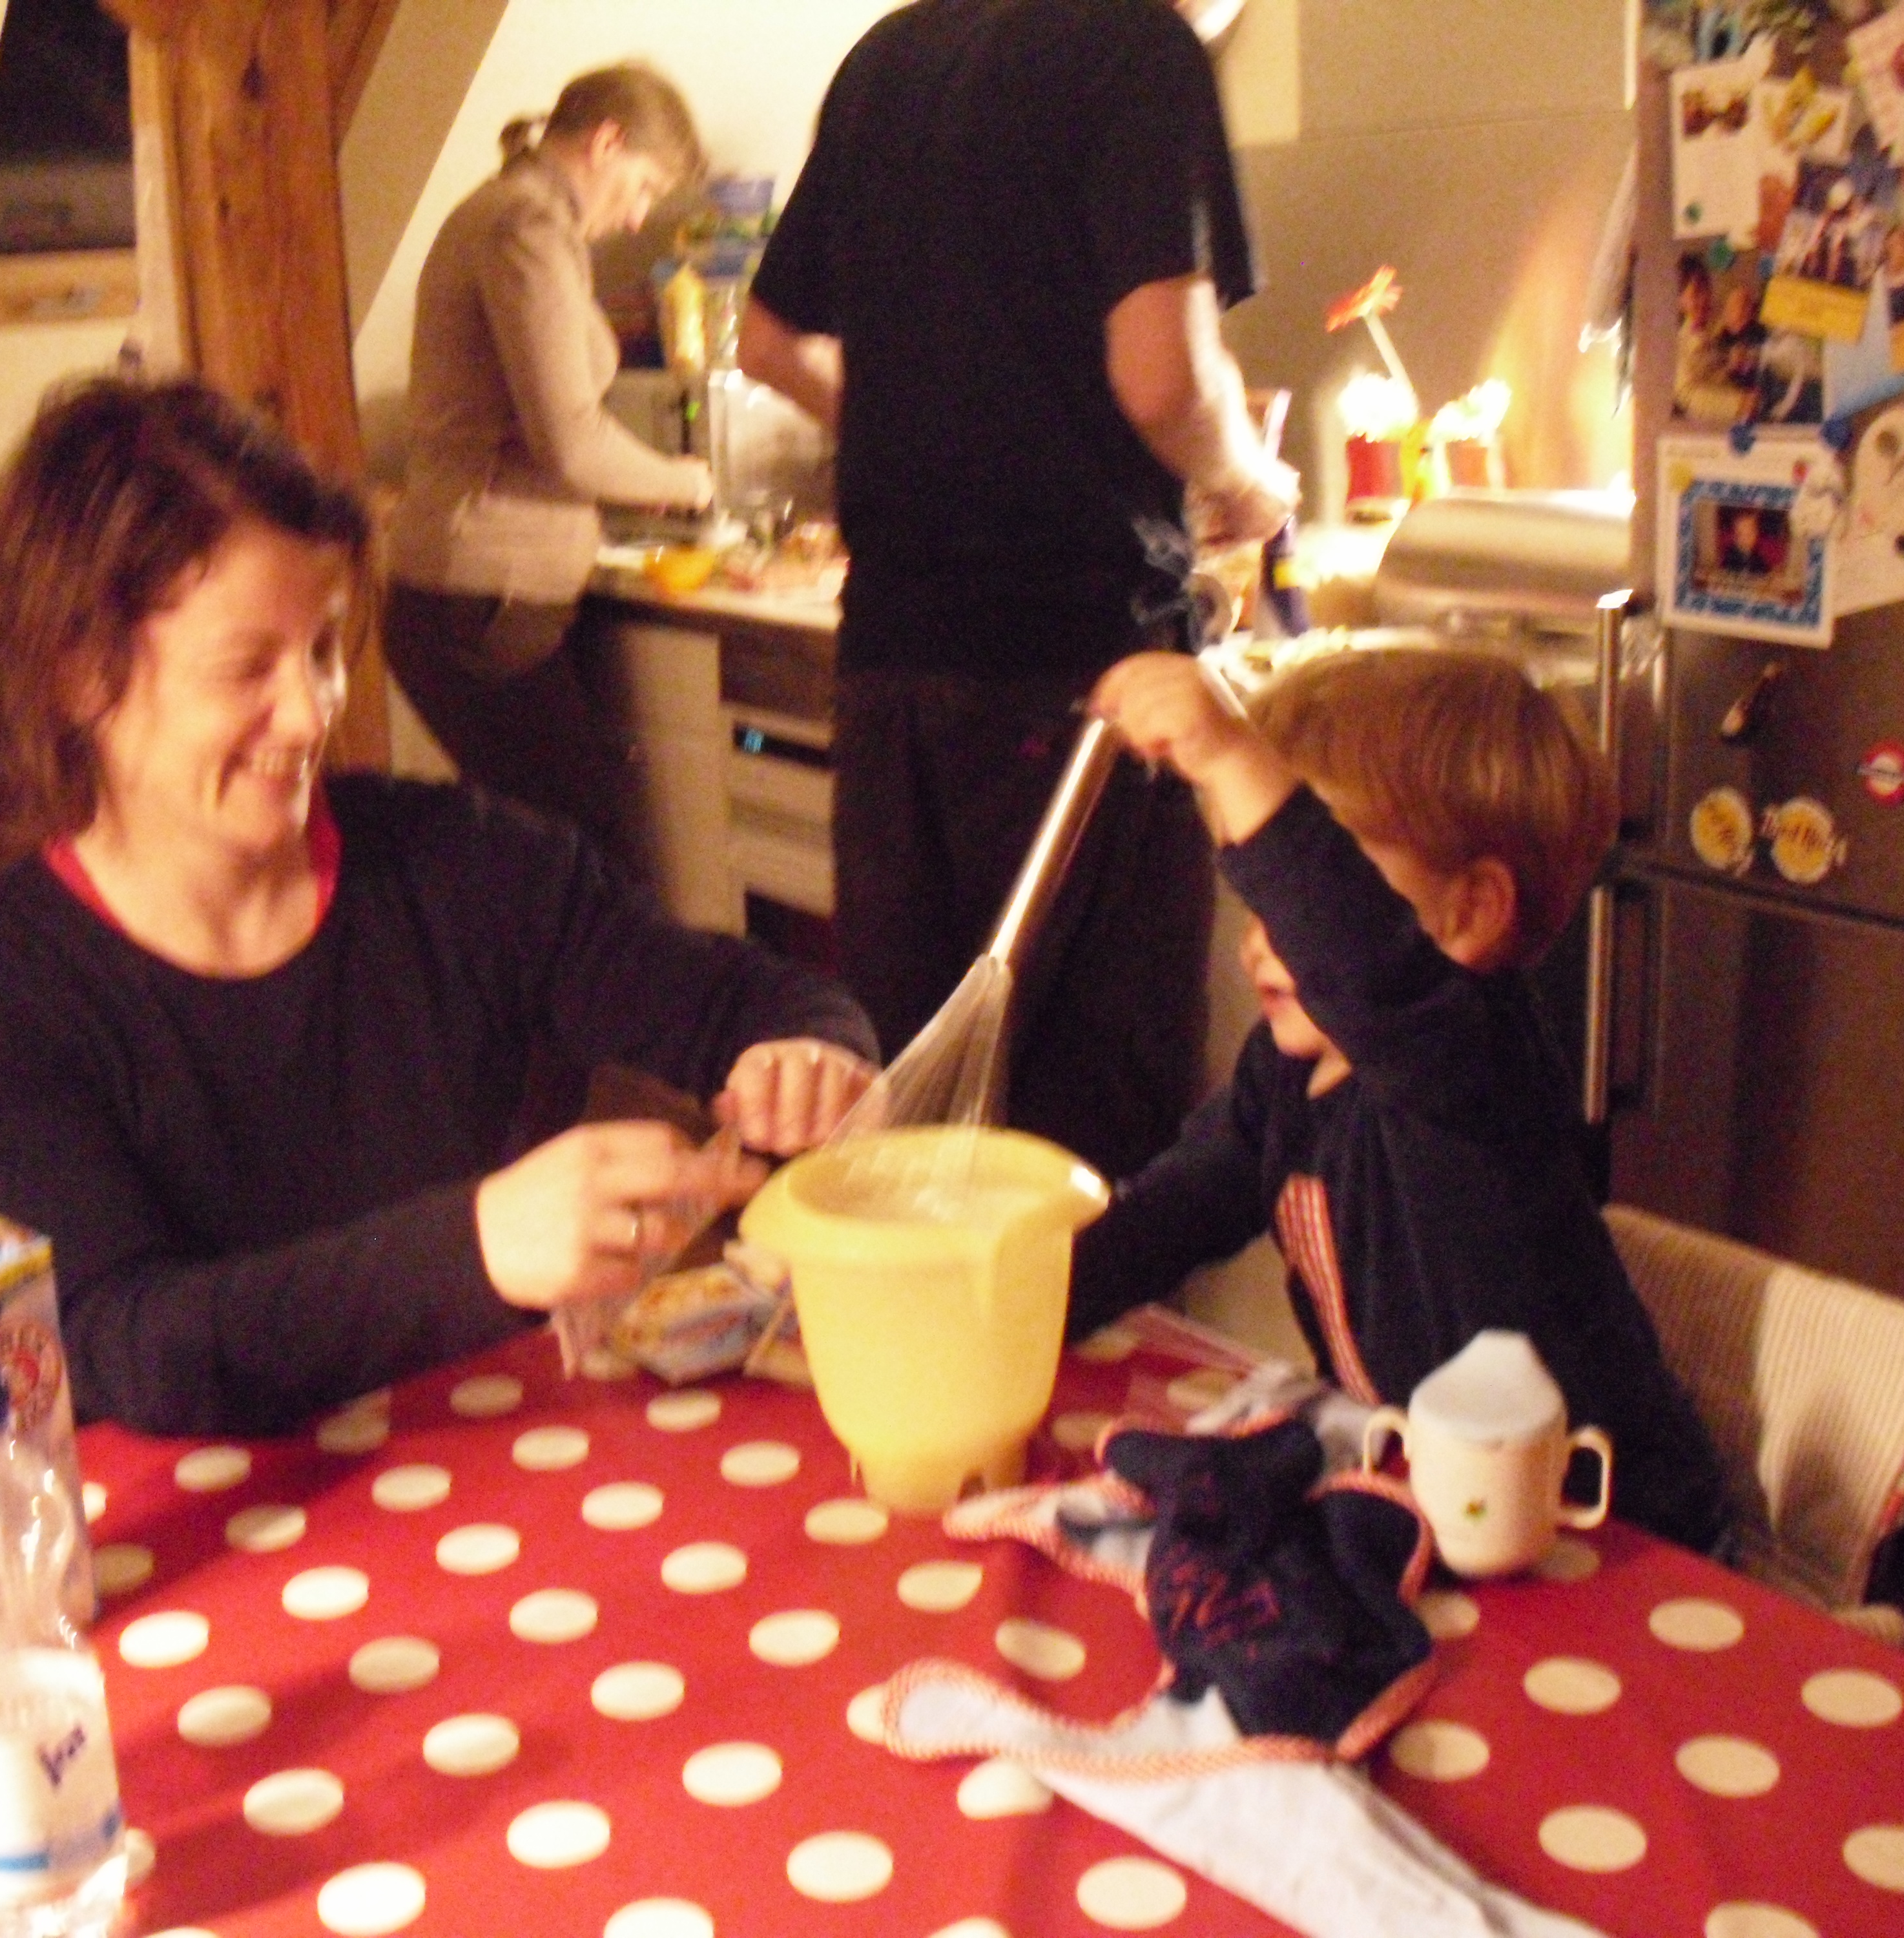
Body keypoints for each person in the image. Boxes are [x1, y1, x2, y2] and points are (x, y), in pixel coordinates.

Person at [0, 375, 876, 1437]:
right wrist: (477, 1248)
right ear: (79, 675)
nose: (310, 711)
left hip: (475, 1463)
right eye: (247, 667)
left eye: (323, 650)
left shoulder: (460, 862)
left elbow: (746, 1000)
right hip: (205, 1515)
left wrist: (808, 1054)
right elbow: (124, 1344)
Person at [734, 0, 1297, 1187]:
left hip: (891, 665)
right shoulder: (1142, 50)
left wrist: (912, 433)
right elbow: (1165, 380)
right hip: (1079, 669)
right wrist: (1251, 483)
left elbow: (768, 339)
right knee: (1091, 1128)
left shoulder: (889, 55)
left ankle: (917, 1313)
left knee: (913, 1088)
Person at [1071, 645, 1730, 1552]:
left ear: (1469, 914)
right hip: (1444, 1505)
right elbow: (1169, 1214)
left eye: (1299, 894)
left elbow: (1365, 969)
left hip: (1609, 1533)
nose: (1262, 939)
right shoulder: (1286, 1075)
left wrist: (1232, 755)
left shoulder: (1474, 1067)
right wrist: (1011, 1298)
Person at [382, 65, 714, 874]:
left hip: (472, 596)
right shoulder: (525, 225)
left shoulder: (514, 214)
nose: (636, 215)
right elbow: (570, 439)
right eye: (644, 185)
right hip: (485, 598)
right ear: (606, 142)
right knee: (593, 867)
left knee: (534, 862)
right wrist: (687, 482)